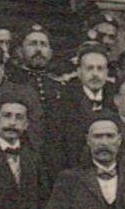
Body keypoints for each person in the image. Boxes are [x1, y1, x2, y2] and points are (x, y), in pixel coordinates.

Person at [45, 42, 116, 176]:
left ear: (107, 72)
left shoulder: (117, 101)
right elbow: (56, 150)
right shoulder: (61, 104)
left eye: (100, 69)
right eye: (89, 68)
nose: (95, 74)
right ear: (79, 72)